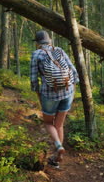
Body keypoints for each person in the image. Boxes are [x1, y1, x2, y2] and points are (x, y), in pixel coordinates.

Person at [30, 30, 79, 168]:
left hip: (50, 94)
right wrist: (72, 92)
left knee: (48, 123)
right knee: (59, 124)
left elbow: (34, 81)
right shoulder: (60, 50)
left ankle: (58, 145)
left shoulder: (36, 54)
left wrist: (39, 95)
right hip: (68, 92)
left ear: (38, 43)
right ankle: (57, 160)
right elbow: (73, 72)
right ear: (49, 40)